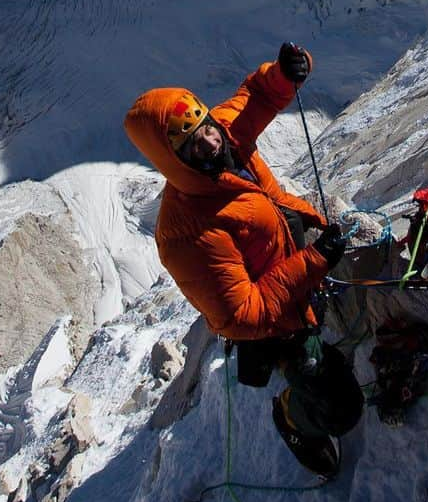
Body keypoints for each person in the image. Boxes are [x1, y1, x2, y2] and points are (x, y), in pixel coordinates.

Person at [123, 42, 363, 479]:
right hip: (276, 318)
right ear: (175, 162)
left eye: (209, 126)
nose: (214, 142)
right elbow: (241, 314)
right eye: (197, 145)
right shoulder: (186, 233)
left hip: (295, 257)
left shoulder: (222, 134)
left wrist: (285, 74)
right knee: (342, 408)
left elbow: (256, 96)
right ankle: (293, 418)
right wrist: (312, 262)